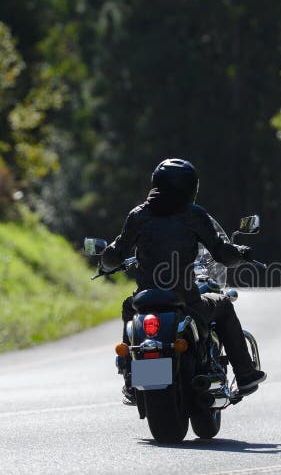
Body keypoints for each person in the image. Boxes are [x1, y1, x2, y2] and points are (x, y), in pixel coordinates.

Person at [101, 158, 266, 405]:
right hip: (186, 300)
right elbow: (220, 252)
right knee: (223, 304)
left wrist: (105, 262)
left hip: (145, 301)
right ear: (191, 187)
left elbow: (117, 251)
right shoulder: (194, 215)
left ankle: (130, 380)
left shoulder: (138, 215)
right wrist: (241, 253)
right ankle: (245, 375)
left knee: (129, 308)